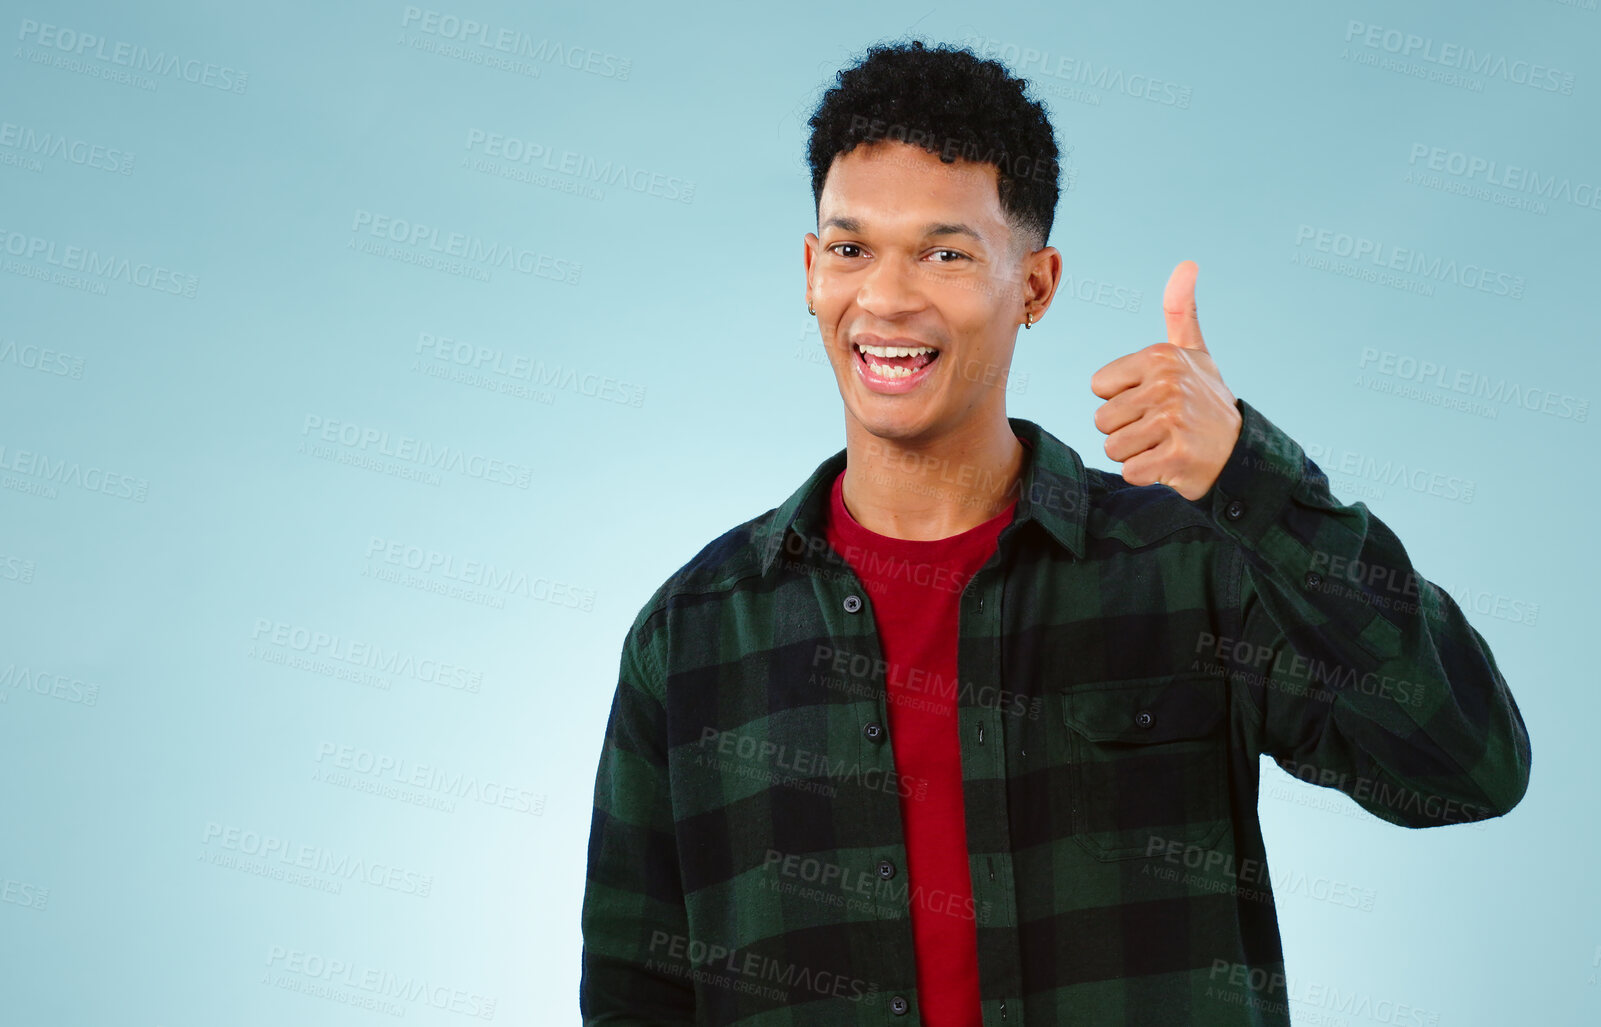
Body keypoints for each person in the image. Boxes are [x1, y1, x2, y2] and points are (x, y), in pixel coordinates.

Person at [580, 38, 1531, 1027]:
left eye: (946, 252)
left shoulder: (1189, 568)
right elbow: (633, 999)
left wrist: (1252, 476)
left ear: (1034, 285)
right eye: (853, 248)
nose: (888, 297)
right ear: (813, 270)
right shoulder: (690, 637)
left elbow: (1465, 764)